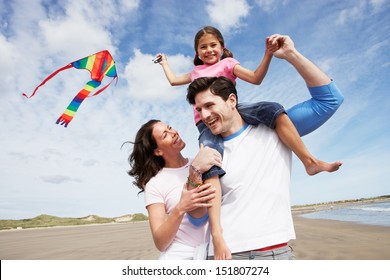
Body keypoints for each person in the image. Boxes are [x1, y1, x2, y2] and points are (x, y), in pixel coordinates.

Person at [155, 26, 342, 259]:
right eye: (198, 108)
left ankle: (310, 161)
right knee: (210, 168)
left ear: (232, 99)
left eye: (211, 105)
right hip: (223, 255)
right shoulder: (207, 152)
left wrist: (289, 55)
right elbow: (197, 216)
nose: (204, 115)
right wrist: (194, 171)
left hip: (276, 253)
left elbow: (330, 100)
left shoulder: (275, 129)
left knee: (273, 108)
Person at [126, 120, 222, 259]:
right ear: (158, 151)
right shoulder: (155, 184)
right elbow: (160, 242)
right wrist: (180, 208)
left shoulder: (200, 162)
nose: (174, 133)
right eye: (165, 135)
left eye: (170, 127)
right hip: (181, 257)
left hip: (216, 250)